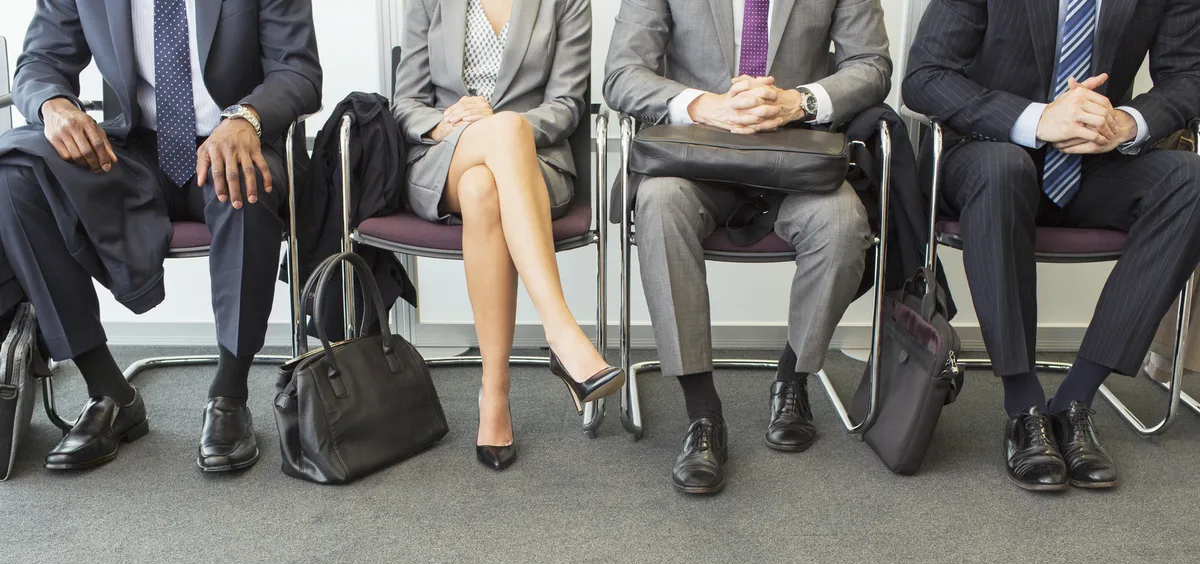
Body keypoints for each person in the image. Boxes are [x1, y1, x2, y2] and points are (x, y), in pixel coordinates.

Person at [0, 0, 322, 473]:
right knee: (15, 174)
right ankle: (109, 391)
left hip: (233, 139)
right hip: (134, 149)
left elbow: (299, 71)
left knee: (245, 185)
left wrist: (246, 118)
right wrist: (53, 105)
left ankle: (229, 396)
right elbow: (39, 63)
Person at [903, 0, 1200, 491]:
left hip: (1094, 160)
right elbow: (926, 76)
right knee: (1005, 169)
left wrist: (1126, 123)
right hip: (986, 151)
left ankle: (1075, 402)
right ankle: (1024, 407)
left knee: (1191, 184)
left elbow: (1189, 75)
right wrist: (1038, 119)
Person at [603, 0, 891, 494]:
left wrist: (796, 102)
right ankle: (702, 415)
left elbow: (871, 65)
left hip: (796, 160)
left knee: (844, 222)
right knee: (658, 201)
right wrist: (703, 105)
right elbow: (621, 73)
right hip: (694, 156)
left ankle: (792, 379)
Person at [394, 0, 623, 471]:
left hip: (535, 164)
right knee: (483, 162)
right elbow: (406, 102)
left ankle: (494, 395)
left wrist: (504, 127)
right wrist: (451, 125)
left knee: (484, 188)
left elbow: (567, 105)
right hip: (445, 157)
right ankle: (562, 334)